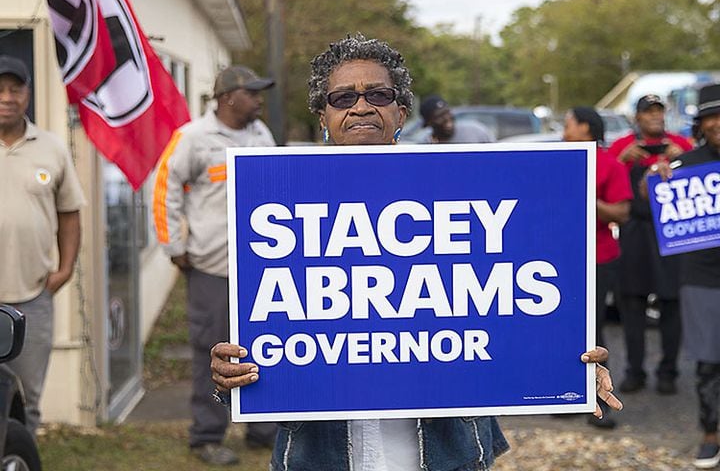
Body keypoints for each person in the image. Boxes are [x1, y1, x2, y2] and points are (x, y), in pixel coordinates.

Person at [208, 34, 623, 471]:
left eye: (379, 94)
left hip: (447, 455)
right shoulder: (278, 202)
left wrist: (567, 363)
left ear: (400, 112)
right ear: (323, 117)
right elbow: (265, 330)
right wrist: (229, 374)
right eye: (343, 96)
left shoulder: (464, 194)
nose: (361, 106)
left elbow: (512, 302)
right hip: (320, 455)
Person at [152, 65, 277, 465]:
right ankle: (206, 435)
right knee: (212, 350)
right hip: (213, 268)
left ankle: (263, 428)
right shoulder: (193, 138)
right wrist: (174, 246)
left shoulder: (261, 136)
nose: (259, 99)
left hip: (261, 268)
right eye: (252, 92)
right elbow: (164, 188)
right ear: (227, 97)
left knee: (262, 346)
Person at [0, 55, 85, 435]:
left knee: (27, 398)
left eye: (15, 89)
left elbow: (70, 213)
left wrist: (65, 269)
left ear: (28, 95)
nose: (7, 97)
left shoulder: (51, 148)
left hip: (32, 298)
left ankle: (20, 454)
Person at [645, 83, 720, 469]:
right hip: (702, 277)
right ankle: (710, 434)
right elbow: (648, 193)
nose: (719, 123)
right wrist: (656, 178)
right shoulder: (687, 164)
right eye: (712, 116)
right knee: (707, 361)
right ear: (701, 124)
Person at [607, 94, 693, 394]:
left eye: (659, 111)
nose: (655, 116)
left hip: (673, 231)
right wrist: (622, 161)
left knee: (672, 302)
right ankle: (634, 370)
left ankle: (668, 371)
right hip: (635, 230)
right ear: (638, 117)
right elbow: (605, 179)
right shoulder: (622, 147)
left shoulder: (681, 144)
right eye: (649, 112)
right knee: (631, 303)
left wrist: (680, 156)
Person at [563, 107, 633, 428]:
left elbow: (620, 213)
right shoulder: (557, 162)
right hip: (559, 261)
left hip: (598, 259)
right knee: (562, 330)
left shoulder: (610, 165)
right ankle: (565, 394)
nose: (564, 130)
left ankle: (598, 402)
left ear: (586, 128)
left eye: (569, 124)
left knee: (594, 331)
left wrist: (583, 199)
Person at [419, 95, 494, 143]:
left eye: (447, 112)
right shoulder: (425, 145)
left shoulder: (476, 131)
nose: (447, 118)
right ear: (429, 122)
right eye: (439, 116)